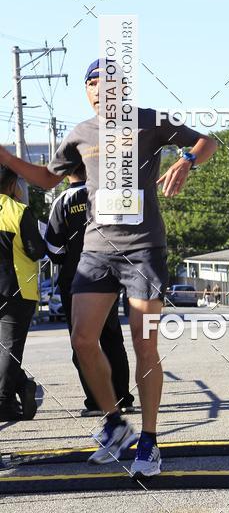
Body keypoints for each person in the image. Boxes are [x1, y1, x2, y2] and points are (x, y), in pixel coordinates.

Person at [0, 59, 217, 476]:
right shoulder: (81, 132)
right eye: (93, 84)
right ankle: (115, 424)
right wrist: (6, 156)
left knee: (145, 346)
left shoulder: (151, 121)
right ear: (87, 91)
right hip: (97, 250)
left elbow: (209, 141)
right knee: (83, 340)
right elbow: (47, 179)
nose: (100, 91)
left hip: (143, 249)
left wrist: (187, 160)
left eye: (108, 84)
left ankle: (149, 443)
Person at [45, 167, 135, 417]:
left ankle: (97, 401)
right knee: (111, 338)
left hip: (76, 280)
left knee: (82, 342)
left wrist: (71, 256)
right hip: (106, 277)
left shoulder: (62, 202)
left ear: (65, 173)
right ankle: (122, 397)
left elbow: (53, 248)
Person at [0, 165, 46, 420]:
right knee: (9, 347)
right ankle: (4, 402)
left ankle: (21, 386)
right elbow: (35, 250)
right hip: (16, 288)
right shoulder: (18, 211)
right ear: (11, 185)